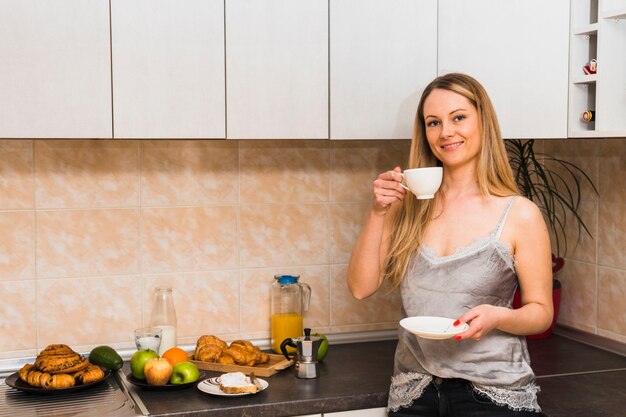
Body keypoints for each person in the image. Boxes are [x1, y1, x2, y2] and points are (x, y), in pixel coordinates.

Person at [347, 73, 553, 416]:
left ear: (482, 121)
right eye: (433, 122)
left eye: (459, 117)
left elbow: (541, 312)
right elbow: (360, 287)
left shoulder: (519, 214)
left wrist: (499, 316)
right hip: (415, 394)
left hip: (493, 395)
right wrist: (378, 212)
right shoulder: (407, 205)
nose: (446, 132)